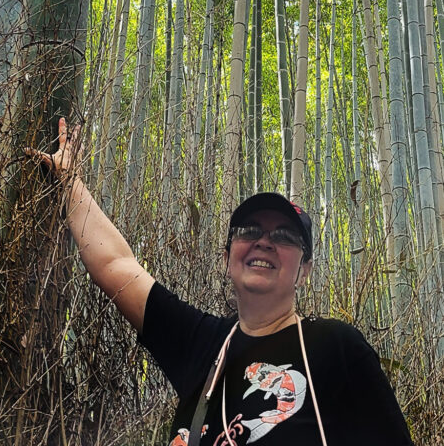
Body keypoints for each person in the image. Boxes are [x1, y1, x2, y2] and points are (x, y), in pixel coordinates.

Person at [29, 118, 414, 446]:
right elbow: (115, 265)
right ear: (228, 257)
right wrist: (70, 181)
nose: (264, 240)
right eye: (249, 230)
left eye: (285, 236)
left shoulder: (336, 347)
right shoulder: (202, 342)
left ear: (305, 270)